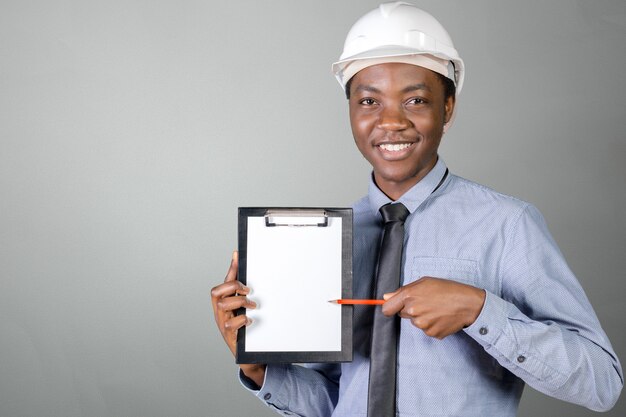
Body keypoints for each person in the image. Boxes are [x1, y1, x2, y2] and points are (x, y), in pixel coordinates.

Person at [211, 2, 623, 416]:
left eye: (415, 100)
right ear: (350, 111)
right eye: (369, 102)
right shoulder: (325, 243)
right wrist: (260, 368)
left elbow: (601, 384)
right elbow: (338, 402)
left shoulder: (506, 225)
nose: (391, 122)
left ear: (447, 108)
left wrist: (479, 311)